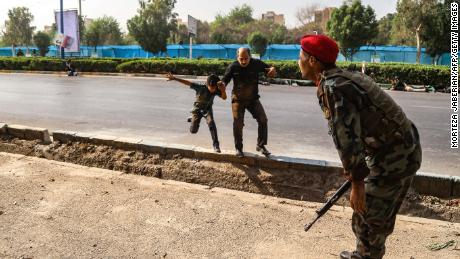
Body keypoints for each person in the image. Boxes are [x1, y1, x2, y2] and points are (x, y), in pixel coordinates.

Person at [297, 34, 422, 259]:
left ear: (313, 61)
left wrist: (357, 183)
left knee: (366, 220)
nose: (299, 61)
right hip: (404, 149)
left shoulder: (333, 87)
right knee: (377, 219)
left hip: (392, 158)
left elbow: (347, 140)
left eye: (301, 57)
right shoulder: (346, 77)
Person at [219, 47, 276, 158]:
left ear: (250, 57)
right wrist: (222, 85)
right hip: (238, 99)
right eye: (241, 59)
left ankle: (261, 145)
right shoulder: (233, 67)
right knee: (238, 124)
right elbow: (224, 80)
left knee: (263, 120)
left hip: (253, 99)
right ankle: (238, 148)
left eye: (246, 58)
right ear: (237, 57)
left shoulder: (257, 63)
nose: (244, 61)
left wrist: (272, 70)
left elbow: (269, 71)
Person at [165, 72, 226, 153]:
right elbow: (187, 83)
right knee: (193, 131)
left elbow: (224, 97)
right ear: (206, 84)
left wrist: (222, 90)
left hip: (207, 110)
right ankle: (193, 119)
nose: (212, 89)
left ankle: (216, 145)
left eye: (214, 88)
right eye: (210, 87)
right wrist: (175, 78)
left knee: (211, 123)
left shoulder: (217, 90)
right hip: (197, 110)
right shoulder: (200, 87)